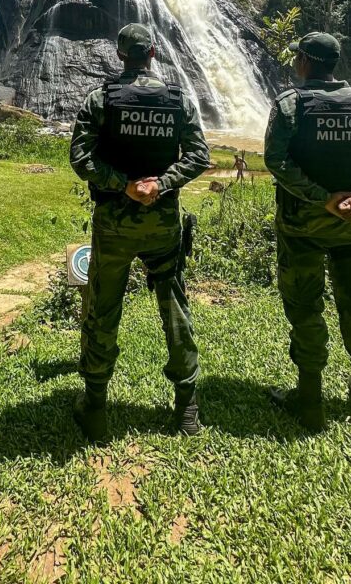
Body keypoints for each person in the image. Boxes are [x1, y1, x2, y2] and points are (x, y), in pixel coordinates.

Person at [69, 23, 211, 442]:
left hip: (114, 224)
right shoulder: (177, 100)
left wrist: (122, 183)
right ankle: (187, 410)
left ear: (119, 55)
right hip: (162, 223)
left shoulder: (102, 99)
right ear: (152, 53)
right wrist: (160, 184)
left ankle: (95, 408)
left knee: (102, 308)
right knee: (174, 309)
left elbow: (80, 158)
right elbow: (200, 156)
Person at [263, 31, 351, 431]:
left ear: (304, 61)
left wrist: (321, 196)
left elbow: (276, 160)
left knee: (305, 308)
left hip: (301, 228)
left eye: (296, 58)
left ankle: (309, 401)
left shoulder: (291, 105)